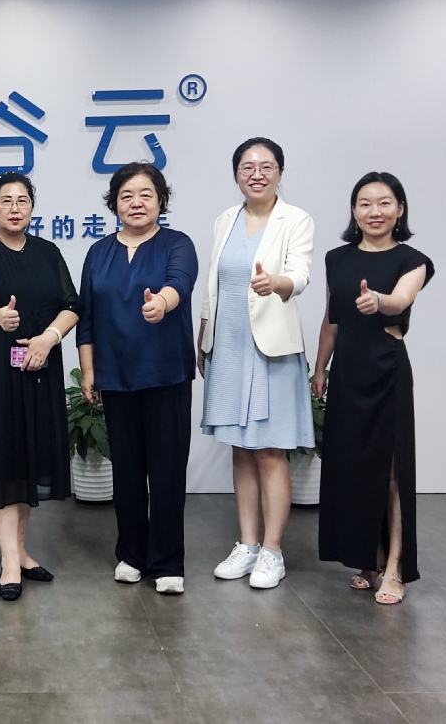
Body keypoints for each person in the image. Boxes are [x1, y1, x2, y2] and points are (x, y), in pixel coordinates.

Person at [0, 171, 82, 602]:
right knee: (3, 459)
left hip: (40, 365)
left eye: (22, 200)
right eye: (5, 201)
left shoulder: (47, 251)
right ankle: (9, 560)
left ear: (32, 208)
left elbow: (72, 305)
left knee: (27, 457)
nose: (14, 208)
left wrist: (49, 337)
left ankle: (21, 552)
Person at [198, 137, 315, 590]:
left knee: (270, 450)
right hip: (227, 344)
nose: (257, 174)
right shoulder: (224, 220)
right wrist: (203, 335)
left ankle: (273, 551)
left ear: (280, 173)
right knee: (241, 449)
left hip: (271, 349)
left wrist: (276, 283)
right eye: (247, 167)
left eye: (267, 166)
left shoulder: (296, 219)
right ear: (236, 175)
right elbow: (213, 284)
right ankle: (246, 545)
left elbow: (300, 275)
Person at [76, 162, 198, 595]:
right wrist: (89, 369)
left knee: (166, 471)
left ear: (161, 200)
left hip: (165, 374)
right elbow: (87, 317)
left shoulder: (177, 243)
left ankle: (167, 562)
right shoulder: (99, 252)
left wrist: (161, 303)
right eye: (126, 195)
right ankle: (131, 554)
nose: (136, 203)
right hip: (115, 375)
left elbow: (180, 283)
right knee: (126, 471)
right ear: (114, 204)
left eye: (146, 194)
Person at [314, 172, 433, 605]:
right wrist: (320, 367)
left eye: (384, 203)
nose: (374, 211)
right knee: (352, 468)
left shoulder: (413, 260)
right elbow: (332, 319)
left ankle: (395, 566)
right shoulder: (337, 258)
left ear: (400, 209)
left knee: (391, 473)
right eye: (365, 203)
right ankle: (367, 558)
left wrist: (378, 301)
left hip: (387, 371)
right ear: (354, 210)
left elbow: (400, 300)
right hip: (348, 371)